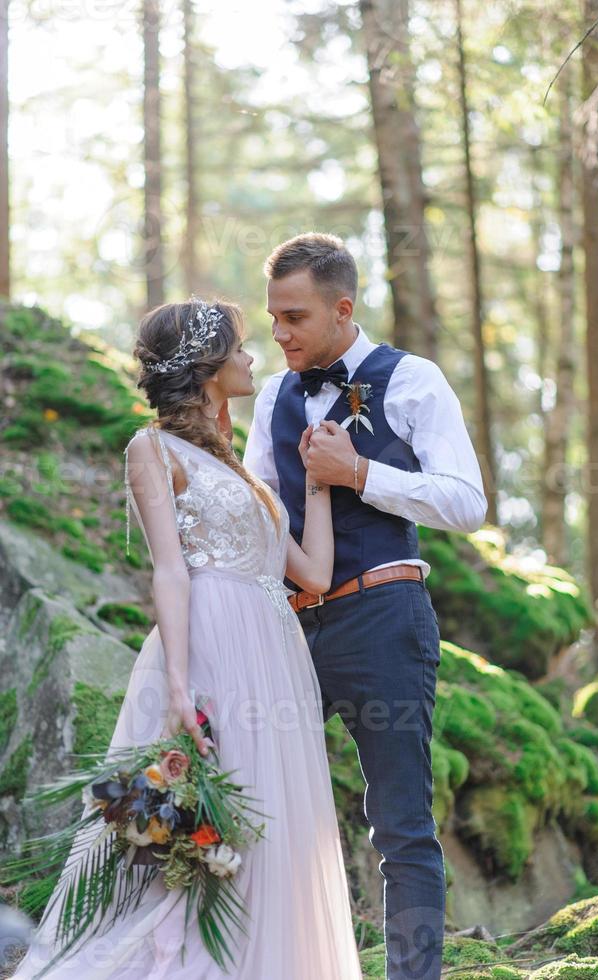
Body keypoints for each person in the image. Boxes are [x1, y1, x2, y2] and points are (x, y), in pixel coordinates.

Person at [11, 297, 363, 979]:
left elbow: (312, 574)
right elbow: (169, 571)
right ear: (205, 366)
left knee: (267, 834)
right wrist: (178, 683)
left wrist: (317, 483)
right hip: (210, 646)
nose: (252, 355)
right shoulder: (151, 448)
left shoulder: (240, 471)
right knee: (191, 839)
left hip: (275, 653)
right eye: (238, 346)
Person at [244, 233, 488, 980]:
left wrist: (360, 473)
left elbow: (467, 502)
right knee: (254, 804)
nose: (279, 334)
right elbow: (259, 516)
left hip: (385, 618)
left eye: (294, 318)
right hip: (290, 627)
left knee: (401, 826)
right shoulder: (271, 396)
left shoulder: (414, 380)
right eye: (273, 318)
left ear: (342, 309)